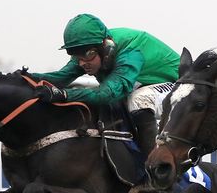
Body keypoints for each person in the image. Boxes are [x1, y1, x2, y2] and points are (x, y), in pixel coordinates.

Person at [29, 13, 180, 154]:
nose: (82, 63)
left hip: (179, 88)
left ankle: (154, 164)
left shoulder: (130, 52)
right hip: (145, 85)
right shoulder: (92, 50)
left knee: (139, 99)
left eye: (88, 54)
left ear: (106, 47)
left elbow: (107, 93)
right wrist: (25, 77)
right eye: (76, 56)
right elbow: (60, 77)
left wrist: (64, 94)